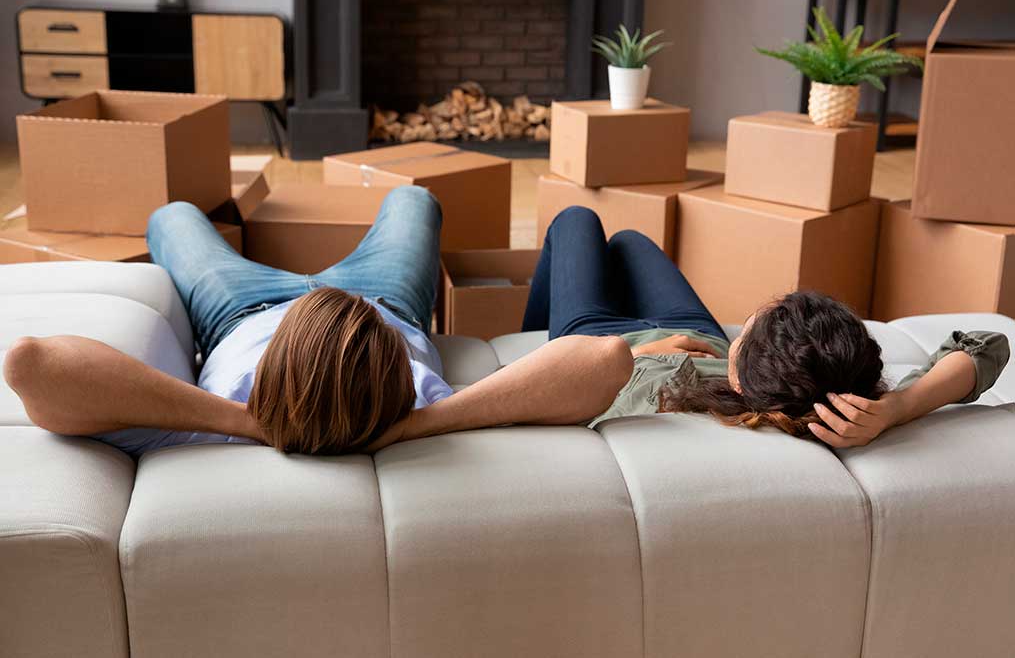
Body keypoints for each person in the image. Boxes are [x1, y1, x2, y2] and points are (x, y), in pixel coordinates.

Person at [3, 189, 631, 455]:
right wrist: (415, 426)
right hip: (384, 302)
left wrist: (246, 420)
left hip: (238, 308)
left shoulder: (208, 424)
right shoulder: (418, 403)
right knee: (414, 199)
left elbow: (28, 364)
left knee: (171, 217)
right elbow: (607, 361)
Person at [518, 206, 1011, 448]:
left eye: (752, 329)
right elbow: (987, 344)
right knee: (628, 241)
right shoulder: (845, 401)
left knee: (576, 219)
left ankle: (526, 332)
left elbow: (567, 388)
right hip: (699, 333)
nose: (754, 317)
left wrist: (640, 359)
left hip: (604, 338)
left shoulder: (661, 409)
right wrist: (899, 406)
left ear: (740, 380)